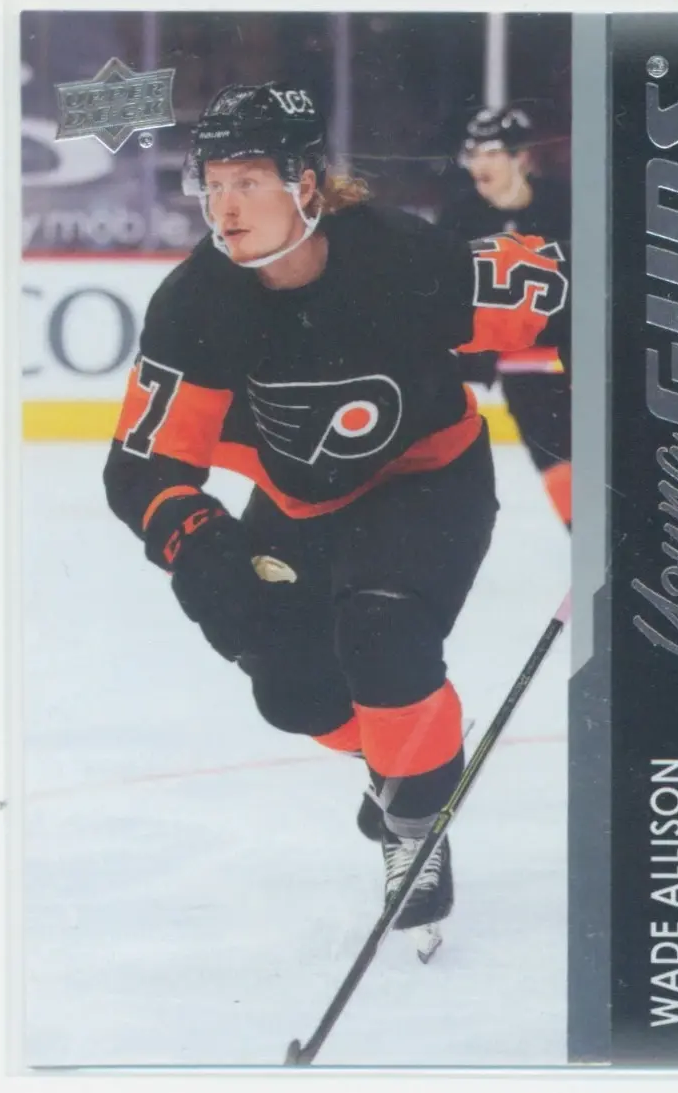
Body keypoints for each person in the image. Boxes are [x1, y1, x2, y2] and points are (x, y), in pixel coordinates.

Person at [103, 82, 568, 957]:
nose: (224, 207)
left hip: (428, 480)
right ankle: (408, 763)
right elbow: (141, 464)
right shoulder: (196, 302)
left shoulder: (400, 257)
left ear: (306, 183)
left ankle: (413, 821)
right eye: (213, 183)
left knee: (381, 633)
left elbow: (554, 292)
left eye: (248, 181)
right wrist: (194, 541)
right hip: (296, 503)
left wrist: (634, 427)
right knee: (290, 691)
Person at [438, 104, 572, 531]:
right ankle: (591, 544)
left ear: (522, 157)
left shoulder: (567, 206)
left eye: (492, 152)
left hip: (582, 366)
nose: (480, 164)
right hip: (523, 376)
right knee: (557, 465)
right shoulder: (459, 220)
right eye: (473, 153)